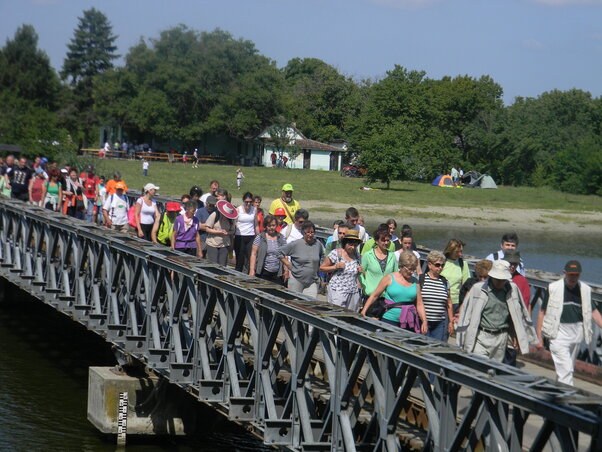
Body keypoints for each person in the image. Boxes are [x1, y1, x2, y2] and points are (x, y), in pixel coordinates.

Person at [536, 260, 602, 386]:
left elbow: (593, 312)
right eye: (571, 274)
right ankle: (567, 401)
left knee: (566, 369)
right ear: (564, 273)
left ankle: (557, 396)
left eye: (576, 275)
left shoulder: (585, 290)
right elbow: (542, 313)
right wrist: (539, 337)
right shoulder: (553, 288)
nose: (573, 277)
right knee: (566, 370)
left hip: (577, 334)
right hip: (558, 334)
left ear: (580, 274)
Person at [457, 260, 536, 362]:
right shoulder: (477, 289)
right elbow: (466, 314)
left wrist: (517, 335)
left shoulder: (512, 289)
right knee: (480, 366)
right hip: (481, 336)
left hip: (501, 338)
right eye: (497, 279)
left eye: (503, 280)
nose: (500, 282)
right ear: (492, 276)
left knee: (493, 371)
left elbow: (518, 314)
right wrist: (462, 338)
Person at [361, 251, 427, 333]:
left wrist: (424, 321)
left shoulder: (415, 282)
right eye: (410, 269)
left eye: (413, 269)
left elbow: (419, 303)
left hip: (408, 321)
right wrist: (364, 311)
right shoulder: (389, 278)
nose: (412, 272)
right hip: (389, 319)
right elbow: (375, 295)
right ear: (401, 266)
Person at [320, 229, 363, 311]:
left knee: (350, 317)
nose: (352, 247)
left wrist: (360, 271)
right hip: (338, 291)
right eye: (350, 244)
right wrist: (335, 267)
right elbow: (322, 268)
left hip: (353, 292)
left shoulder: (357, 255)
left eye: (355, 245)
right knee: (336, 316)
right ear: (345, 243)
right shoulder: (336, 253)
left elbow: (355, 274)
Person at [277, 221, 323, 297]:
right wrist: (288, 264)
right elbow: (279, 252)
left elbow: (321, 258)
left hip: (312, 280)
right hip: (297, 279)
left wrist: (321, 276)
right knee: (295, 304)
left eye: (312, 232)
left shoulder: (318, 244)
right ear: (303, 233)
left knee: (310, 303)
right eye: (307, 232)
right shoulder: (296, 244)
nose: (310, 235)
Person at [359, 226, 399, 304]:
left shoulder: (392, 256)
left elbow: (395, 274)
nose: (386, 243)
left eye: (388, 240)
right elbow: (361, 272)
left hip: (386, 296)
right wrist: (366, 288)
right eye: (383, 240)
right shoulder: (368, 255)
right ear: (377, 241)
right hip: (371, 295)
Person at [421, 251, 454, 342]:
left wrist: (451, 322)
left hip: (440, 323)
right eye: (437, 265)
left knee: (436, 349)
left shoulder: (445, 282)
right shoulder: (421, 279)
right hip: (423, 322)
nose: (440, 268)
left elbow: (449, 303)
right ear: (429, 264)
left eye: (442, 265)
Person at [249, 214, 288, 285]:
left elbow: (285, 255)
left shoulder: (281, 238)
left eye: (273, 225)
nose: (271, 228)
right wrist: (252, 270)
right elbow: (253, 254)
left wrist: (286, 270)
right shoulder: (260, 237)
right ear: (266, 226)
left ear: (276, 225)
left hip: (277, 273)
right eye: (269, 226)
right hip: (263, 272)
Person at [440, 239, 470, 317]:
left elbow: (467, 285)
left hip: (456, 302)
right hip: (441, 300)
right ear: (450, 251)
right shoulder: (441, 262)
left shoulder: (462, 263)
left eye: (461, 251)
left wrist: (463, 305)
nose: (460, 254)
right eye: (457, 252)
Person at [205, 200, 238, 266]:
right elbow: (207, 229)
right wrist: (218, 232)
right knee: (213, 264)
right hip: (212, 243)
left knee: (222, 265)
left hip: (225, 244)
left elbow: (233, 230)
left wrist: (228, 233)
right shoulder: (215, 214)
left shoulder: (232, 219)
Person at [234, 192, 259, 273]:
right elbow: (234, 224)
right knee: (240, 259)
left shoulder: (254, 209)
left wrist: (258, 237)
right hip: (240, 236)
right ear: (243, 201)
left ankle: (248, 275)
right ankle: (237, 275)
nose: (248, 204)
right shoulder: (238, 210)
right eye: (246, 202)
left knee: (250, 258)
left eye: (250, 202)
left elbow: (256, 225)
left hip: (250, 236)